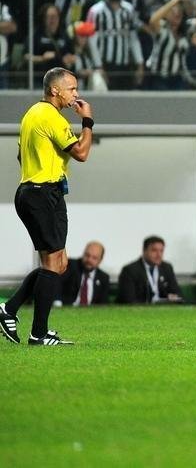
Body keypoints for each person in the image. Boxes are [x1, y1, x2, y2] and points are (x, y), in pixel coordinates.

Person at [0, 68, 94, 346]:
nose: (76, 94)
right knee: (53, 264)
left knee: (58, 264)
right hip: (41, 193)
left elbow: (21, 155)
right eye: (72, 88)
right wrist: (87, 121)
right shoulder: (51, 116)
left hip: (37, 191)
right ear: (55, 90)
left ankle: (9, 309)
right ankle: (38, 333)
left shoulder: (31, 114)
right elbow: (82, 153)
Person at [117, 237, 183, 304]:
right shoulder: (130, 270)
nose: (159, 255)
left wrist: (174, 297)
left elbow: (178, 293)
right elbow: (128, 300)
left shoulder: (167, 268)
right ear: (144, 251)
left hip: (163, 308)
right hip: (140, 309)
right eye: (154, 250)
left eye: (161, 251)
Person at [60, 241, 110, 307]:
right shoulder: (70, 266)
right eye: (87, 255)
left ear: (100, 260)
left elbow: (103, 304)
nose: (89, 260)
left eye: (94, 258)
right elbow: (57, 287)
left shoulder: (103, 278)